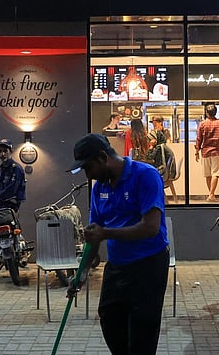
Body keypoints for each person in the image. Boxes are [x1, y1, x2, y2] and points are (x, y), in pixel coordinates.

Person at [66, 133, 169, 354]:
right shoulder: (99, 188)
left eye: (88, 167)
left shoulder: (145, 176)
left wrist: (106, 233)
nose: (87, 174)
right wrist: (81, 273)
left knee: (142, 334)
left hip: (148, 266)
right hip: (117, 266)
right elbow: (95, 234)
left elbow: (150, 227)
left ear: (103, 157)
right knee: (111, 322)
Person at [195, 104, 219, 202]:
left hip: (205, 152)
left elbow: (199, 139)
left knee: (208, 174)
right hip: (217, 152)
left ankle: (211, 194)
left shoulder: (202, 124)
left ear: (206, 113)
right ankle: (211, 195)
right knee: (215, 173)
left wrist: (197, 151)